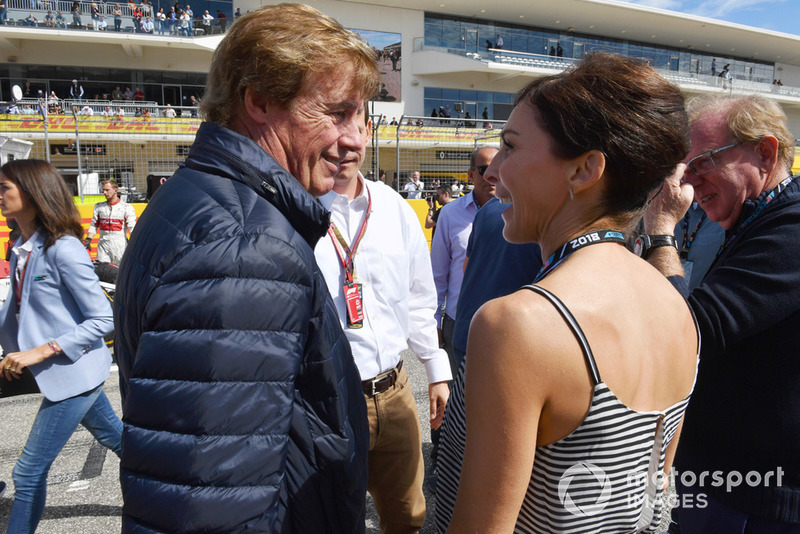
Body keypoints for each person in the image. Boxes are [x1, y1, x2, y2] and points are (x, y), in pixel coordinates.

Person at [113, 5, 380, 532]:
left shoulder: (201, 198)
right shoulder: (246, 243)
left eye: (361, 117)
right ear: (258, 101)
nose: (356, 138)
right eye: (336, 112)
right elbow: (209, 500)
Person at [438, 52, 699, 533]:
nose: (494, 171)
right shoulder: (675, 306)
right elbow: (656, 498)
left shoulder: (519, 324)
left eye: (511, 148)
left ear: (583, 170)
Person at [643, 94, 800, 532]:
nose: (688, 184)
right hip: (725, 484)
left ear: (765, 153)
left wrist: (660, 233)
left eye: (702, 163)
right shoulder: (756, 219)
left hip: (759, 500)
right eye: (681, 169)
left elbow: (692, 332)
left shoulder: (792, 228)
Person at [315, 108, 451, 533]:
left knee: (408, 518)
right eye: (331, 126)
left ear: (369, 132)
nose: (345, 142)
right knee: (334, 520)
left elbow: (418, 298)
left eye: (354, 126)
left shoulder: (393, 208)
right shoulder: (291, 212)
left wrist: (435, 369)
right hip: (326, 404)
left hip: (395, 394)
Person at [0, 159, 122, 533]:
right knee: (117, 439)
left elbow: (105, 319)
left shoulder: (63, 249)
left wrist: (42, 350)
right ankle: (178, 484)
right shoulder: (21, 246)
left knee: (28, 471)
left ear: (34, 195)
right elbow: (20, 311)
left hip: (74, 371)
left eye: (5, 187)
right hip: (53, 373)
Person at [430, 146, 497, 380]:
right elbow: (438, 274)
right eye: (484, 169)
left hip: (503, 324)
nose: (492, 175)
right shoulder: (450, 214)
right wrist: (435, 322)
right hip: (458, 322)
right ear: (470, 175)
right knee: (458, 400)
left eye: (498, 168)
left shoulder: (520, 212)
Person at [84, 179, 136, 265]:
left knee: (120, 270)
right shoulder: (98, 207)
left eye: (107, 190)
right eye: (103, 190)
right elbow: (94, 224)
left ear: (116, 190)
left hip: (120, 244)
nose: (104, 192)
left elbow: (132, 227)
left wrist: (135, 243)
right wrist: (88, 240)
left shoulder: (126, 207)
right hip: (103, 243)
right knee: (102, 269)